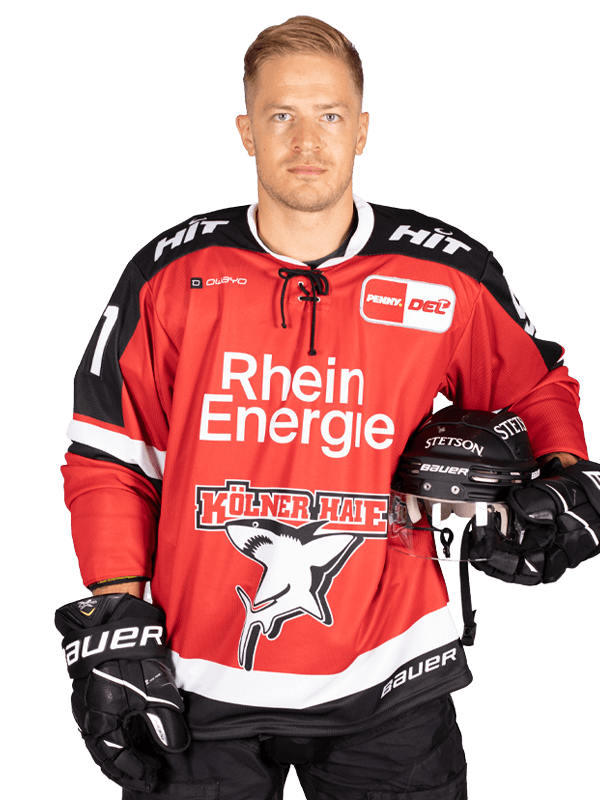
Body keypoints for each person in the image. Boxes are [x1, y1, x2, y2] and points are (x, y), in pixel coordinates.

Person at [55, 15, 599, 800]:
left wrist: (565, 475)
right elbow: (109, 455)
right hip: (196, 672)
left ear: (363, 130)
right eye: (281, 115)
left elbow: (536, 387)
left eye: (330, 115)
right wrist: (115, 618)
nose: (306, 141)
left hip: (392, 669)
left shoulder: (447, 272)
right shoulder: (169, 273)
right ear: (246, 131)